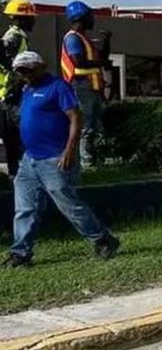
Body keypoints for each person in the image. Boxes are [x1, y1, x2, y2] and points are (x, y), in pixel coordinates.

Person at [3, 52, 119, 268]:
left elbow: (75, 117)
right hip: (30, 160)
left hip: (54, 158)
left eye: (27, 70)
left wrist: (69, 150)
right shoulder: (28, 90)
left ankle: (103, 239)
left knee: (69, 205)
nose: (24, 75)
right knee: (25, 208)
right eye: (20, 71)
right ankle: (20, 252)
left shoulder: (58, 87)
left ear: (41, 66)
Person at [61, 0, 111, 153]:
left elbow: (100, 57)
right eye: (90, 16)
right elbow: (79, 62)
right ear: (80, 18)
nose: (93, 19)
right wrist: (103, 62)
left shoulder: (84, 38)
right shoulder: (73, 38)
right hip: (81, 86)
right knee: (86, 124)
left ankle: (95, 159)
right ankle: (85, 161)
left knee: (97, 124)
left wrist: (106, 42)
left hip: (92, 87)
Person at [0, 0, 36, 176]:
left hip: (13, 93)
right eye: (31, 18)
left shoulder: (19, 37)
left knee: (15, 138)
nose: (34, 21)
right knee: (17, 136)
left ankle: (18, 174)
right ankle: (18, 174)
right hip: (10, 94)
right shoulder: (13, 37)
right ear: (21, 18)